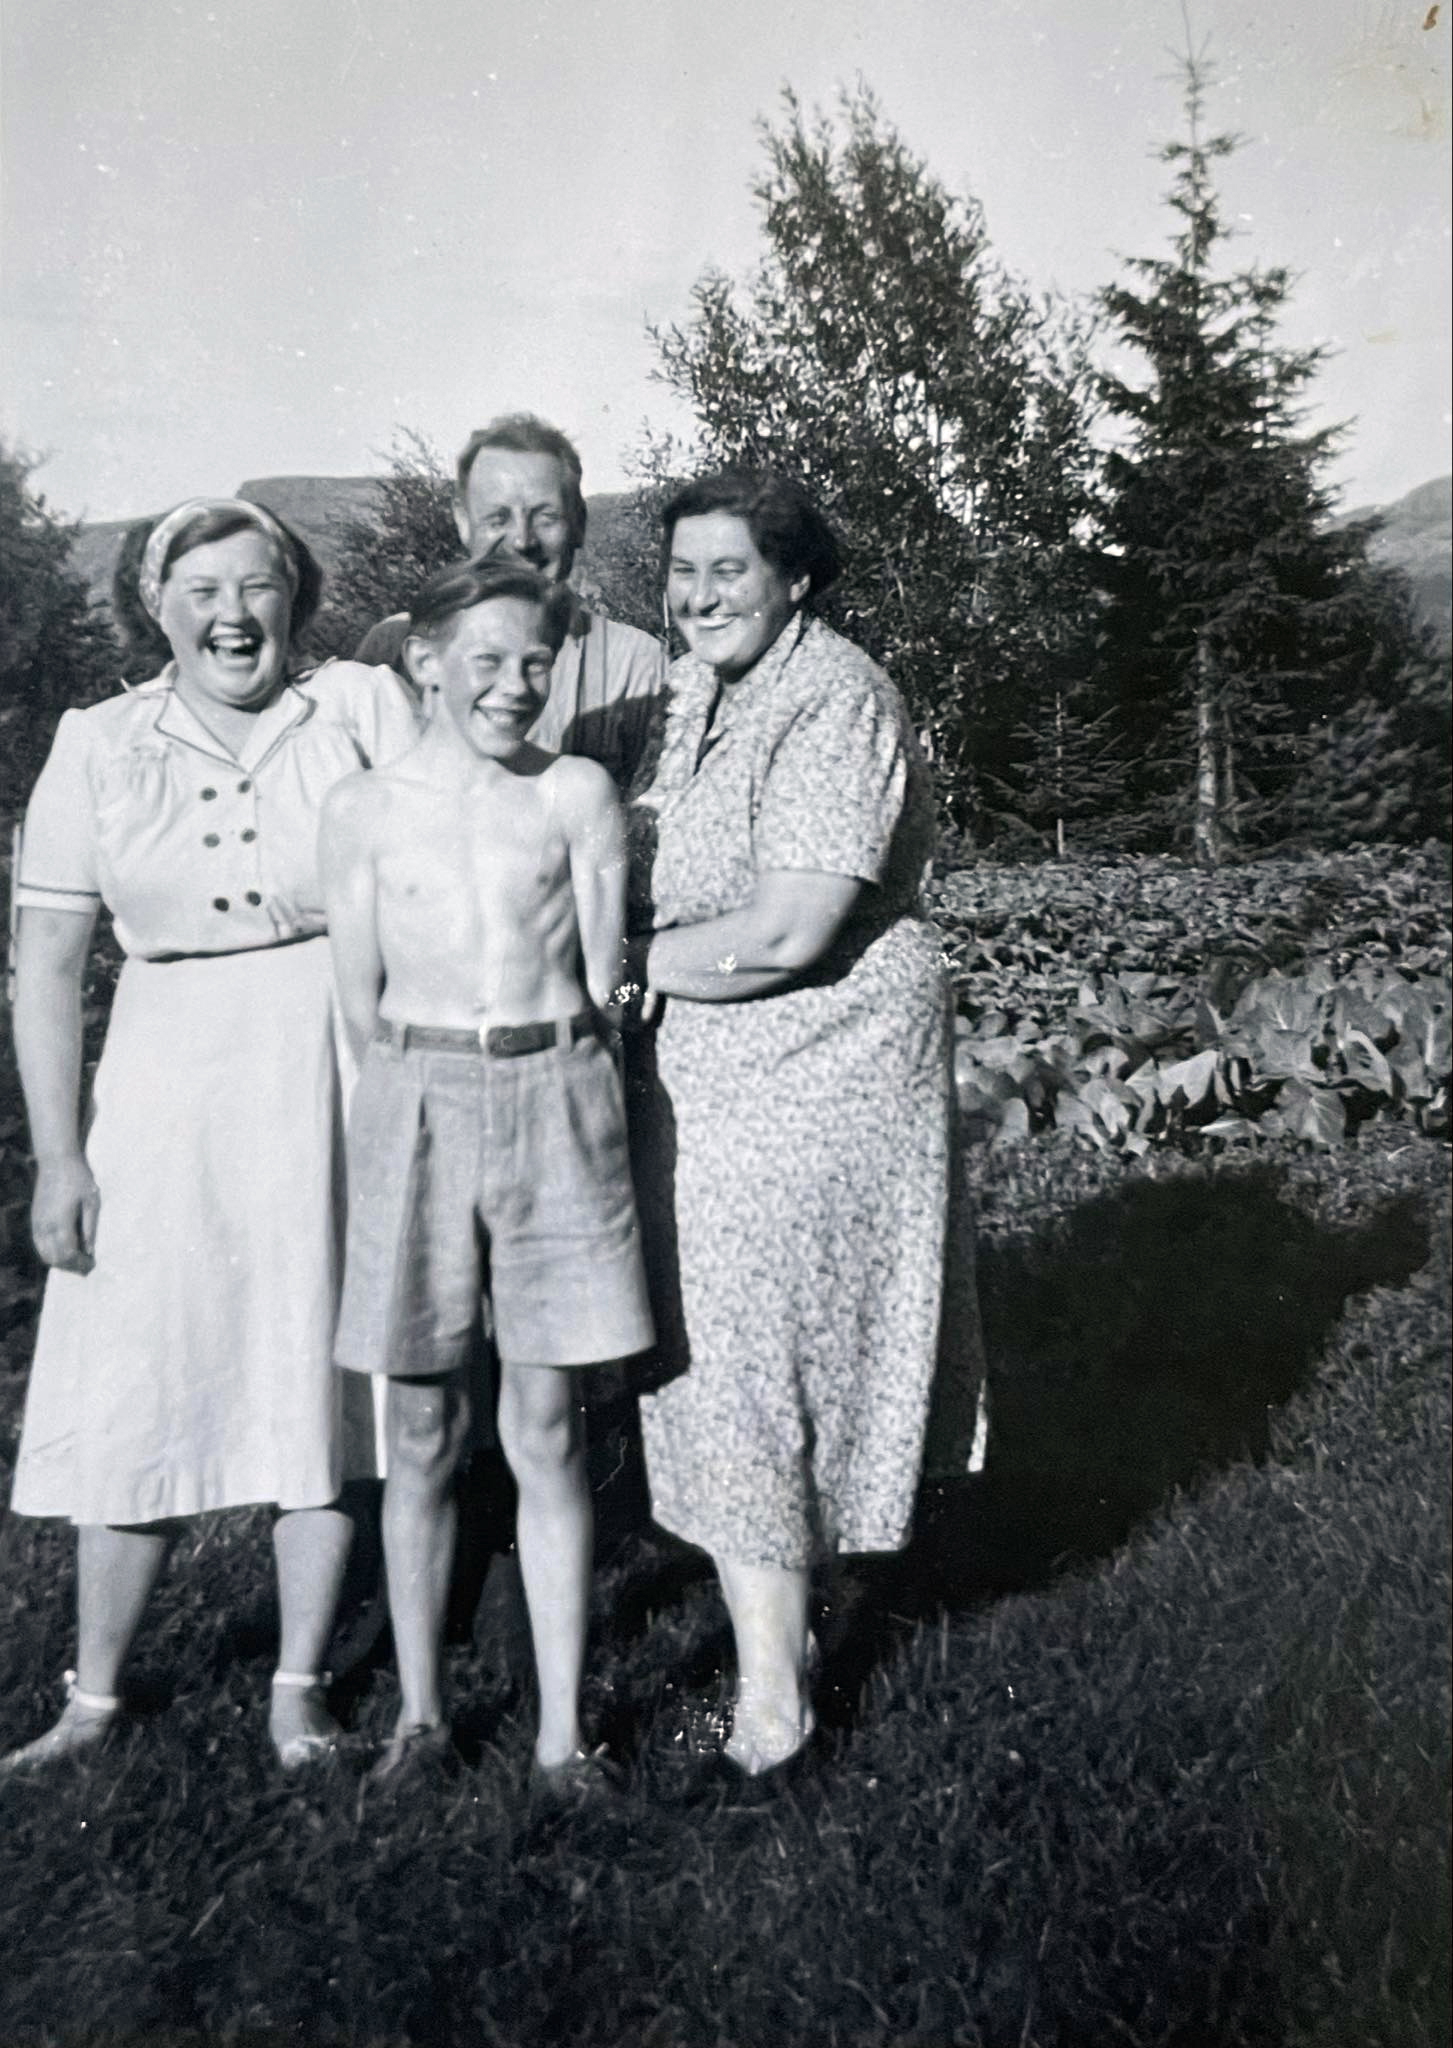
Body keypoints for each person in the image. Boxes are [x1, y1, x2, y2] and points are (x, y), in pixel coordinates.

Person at [1, 498, 420, 1777]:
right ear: (155, 602)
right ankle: (94, 1696)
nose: (232, 613)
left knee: (317, 1376)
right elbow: (49, 957)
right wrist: (61, 1156)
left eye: (258, 586)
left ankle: (298, 1687)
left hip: (330, 1059)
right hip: (167, 1073)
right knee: (139, 1370)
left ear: (294, 600)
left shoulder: (354, 712)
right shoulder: (101, 741)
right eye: (202, 589)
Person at [624, 471, 985, 1779]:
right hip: (715, 1064)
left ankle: (774, 1700)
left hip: (819, 1056)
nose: (700, 593)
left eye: (729, 569)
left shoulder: (834, 697)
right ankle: (773, 1646)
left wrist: (617, 962)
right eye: (683, 571)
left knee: (761, 1354)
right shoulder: (706, 697)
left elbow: (792, 931)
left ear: (795, 580)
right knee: (728, 1355)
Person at [321, 557, 654, 1788]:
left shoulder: (576, 792)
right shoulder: (361, 810)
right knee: (418, 1423)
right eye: (487, 660)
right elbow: (357, 1005)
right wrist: (418, 1105)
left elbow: (609, 978)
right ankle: (420, 1715)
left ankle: (563, 1735)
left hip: (557, 1090)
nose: (514, 686)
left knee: (550, 1422)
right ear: (425, 660)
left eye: (536, 662)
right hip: (415, 1094)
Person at [355, 413, 664, 792]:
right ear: (463, 523)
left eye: (545, 517)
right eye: (498, 518)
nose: (522, 541)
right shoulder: (390, 651)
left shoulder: (636, 667)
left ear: (579, 522)